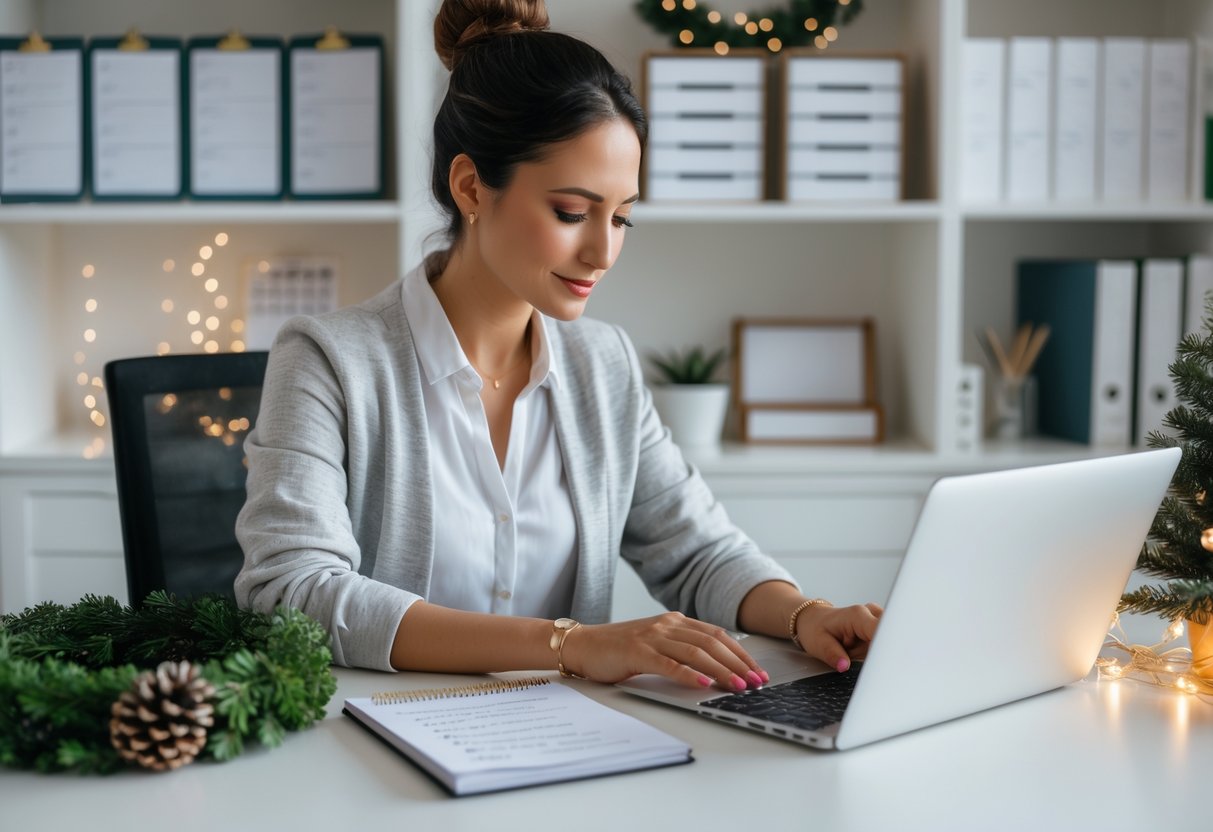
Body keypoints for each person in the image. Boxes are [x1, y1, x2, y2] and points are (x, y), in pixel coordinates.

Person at [235, 0, 882, 691]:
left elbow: (695, 550)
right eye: (571, 212)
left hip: (561, 749)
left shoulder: (602, 365)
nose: (602, 250)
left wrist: (803, 615)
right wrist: (569, 644)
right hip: (376, 752)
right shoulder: (329, 361)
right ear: (470, 187)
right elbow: (293, 591)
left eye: (623, 216)